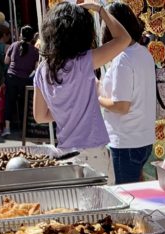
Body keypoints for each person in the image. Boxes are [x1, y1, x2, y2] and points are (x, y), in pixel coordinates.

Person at [33, 1, 132, 180]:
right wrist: (101, 10)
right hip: (92, 153)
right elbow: (124, 39)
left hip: (64, 155)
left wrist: (68, 110)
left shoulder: (42, 69)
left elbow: (40, 116)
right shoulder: (85, 61)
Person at [98, 3, 156, 184]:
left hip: (127, 141)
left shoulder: (123, 58)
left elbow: (121, 106)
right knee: (136, 196)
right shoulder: (142, 52)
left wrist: (96, 99)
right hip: (142, 138)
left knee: (128, 198)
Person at [3, 25, 39, 138]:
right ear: (33, 37)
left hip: (11, 77)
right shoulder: (35, 51)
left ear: (20, 35)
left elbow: (6, 61)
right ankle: (24, 131)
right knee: (24, 104)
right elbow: (36, 68)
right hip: (25, 80)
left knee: (9, 102)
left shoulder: (14, 45)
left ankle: (7, 128)